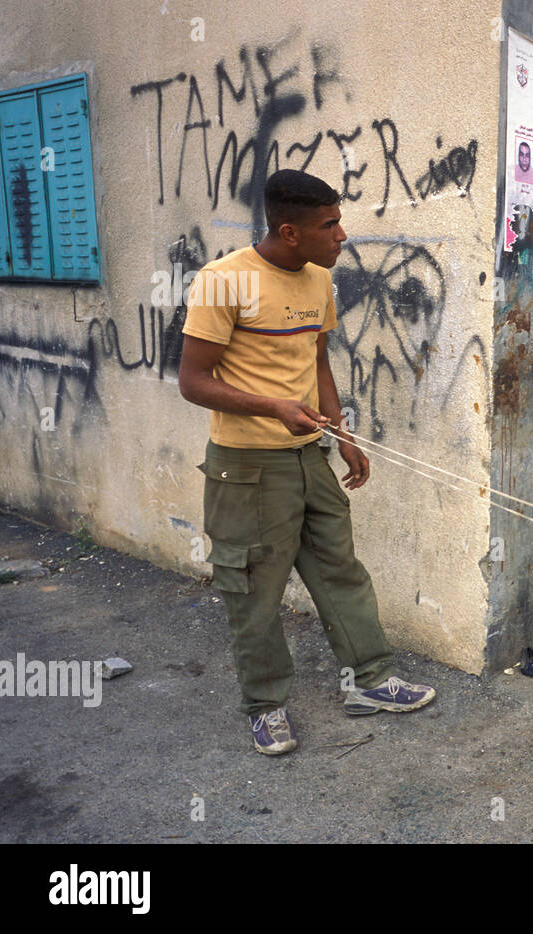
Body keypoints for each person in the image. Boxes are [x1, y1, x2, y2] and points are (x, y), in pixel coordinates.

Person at [178, 169, 435, 757]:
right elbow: (193, 382)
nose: (341, 234)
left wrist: (342, 434)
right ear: (289, 231)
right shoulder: (223, 282)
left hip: (308, 455)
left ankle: (371, 680)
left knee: (339, 568)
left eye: (339, 220)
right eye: (330, 225)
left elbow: (318, 362)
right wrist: (272, 407)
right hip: (246, 468)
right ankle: (265, 707)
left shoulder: (319, 281)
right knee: (255, 589)